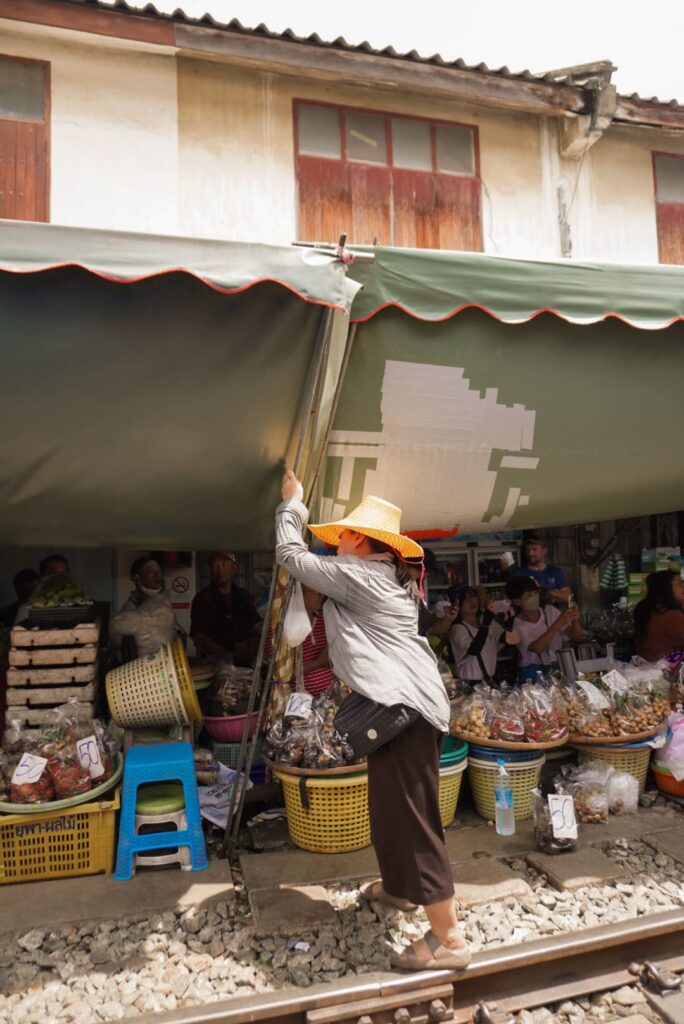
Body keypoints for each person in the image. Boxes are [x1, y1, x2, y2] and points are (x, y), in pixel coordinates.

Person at [276, 469, 470, 972]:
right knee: (388, 809)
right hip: (395, 711)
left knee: (414, 819)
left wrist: (292, 507)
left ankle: (450, 940)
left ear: (361, 542)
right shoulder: (382, 576)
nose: (335, 544)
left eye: (341, 536)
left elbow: (292, 557)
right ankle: (403, 891)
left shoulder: (361, 575)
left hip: (402, 710)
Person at [506, 576, 582, 682]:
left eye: (535, 593)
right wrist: (557, 625)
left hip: (557, 668)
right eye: (528, 595)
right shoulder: (516, 625)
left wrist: (575, 618)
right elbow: (536, 648)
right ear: (517, 601)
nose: (534, 597)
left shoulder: (551, 611)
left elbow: (576, 636)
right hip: (532, 674)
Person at [191, 552, 261, 664]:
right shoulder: (202, 598)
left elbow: (256, 625)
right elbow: (199, 637)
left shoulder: (243, 595)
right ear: (210, 570)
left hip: (247, 662)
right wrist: (227, 655)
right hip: (216, 664)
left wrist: (254, 643)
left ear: (234, 568)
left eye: (224, 564)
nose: (220, 570)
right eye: (215, 565)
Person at [266, 585, 335, 696]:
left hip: (331, 696)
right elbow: (279, 674)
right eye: (316, 591)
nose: (321, 596)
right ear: (300, 595)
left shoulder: (325, 620)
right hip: (299, 701)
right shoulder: (281, 628)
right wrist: (319, 663)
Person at [448, 585, 520, 682]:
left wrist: (509, 621)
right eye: (465, 599)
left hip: (489, 680)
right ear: (457, 605)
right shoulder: (458, 628)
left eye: (473, 596)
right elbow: (474, 650)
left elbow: (505, 639)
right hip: (470, 682)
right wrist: (486, 623)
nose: (471, 601)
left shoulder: (483, 620)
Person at [110, 556, 177, 658]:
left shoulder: (163, 604)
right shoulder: (130, 609)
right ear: (136, 578)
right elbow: (117, 639)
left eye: (159, 572)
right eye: (151, 572)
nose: (157, 575)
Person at [635, 570, 684, 662]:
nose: (683, 587)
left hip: (645, 670)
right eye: (679, 584)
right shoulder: (672, 616)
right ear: (666, 588)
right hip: (663, 672)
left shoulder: (648, 608)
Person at [509, 537, 571, 605]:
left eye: (534, 549)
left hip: (552, 614)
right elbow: (507, 598)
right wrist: (555, 595)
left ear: (544, 551)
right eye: (527, 550)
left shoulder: (555, 572)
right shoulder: (518, 573)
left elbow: (568, 598)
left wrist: (546, 592)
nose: (530, 553)